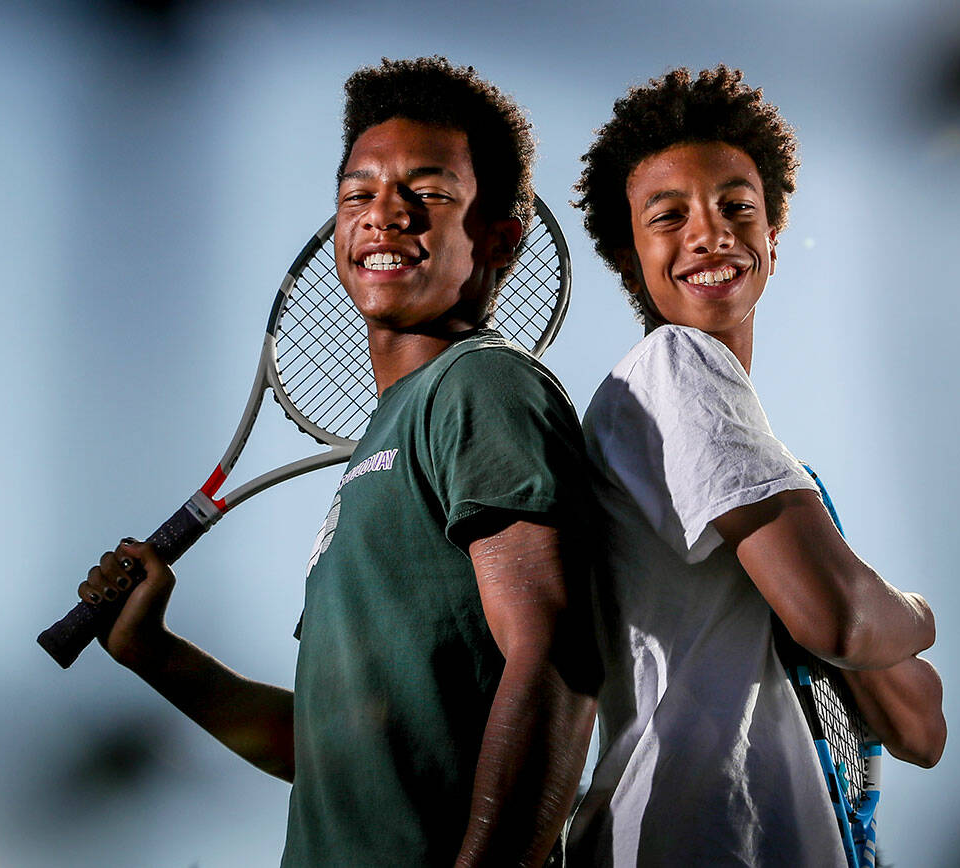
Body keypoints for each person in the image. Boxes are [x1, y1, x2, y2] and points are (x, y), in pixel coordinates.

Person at [76, 57, 600, 868]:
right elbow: (332, 755)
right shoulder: (384, 444)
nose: (383, 215)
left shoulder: (481, 386)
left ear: (500, 235)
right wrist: (156, 653)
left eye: (426, 193)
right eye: (358, 194)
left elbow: (558, 659)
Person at [563, 66, 946, 867]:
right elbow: (840, 619)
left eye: (738, 207)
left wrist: (856, 611)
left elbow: (921, 726)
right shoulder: (674, 364)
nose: (711, 232)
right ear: (630, 262)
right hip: (692, 839)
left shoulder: (769, 465)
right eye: (669, 216)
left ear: (773, 237)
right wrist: (917, 611)